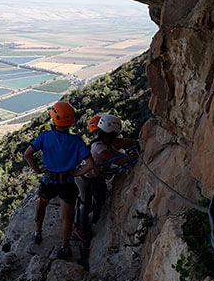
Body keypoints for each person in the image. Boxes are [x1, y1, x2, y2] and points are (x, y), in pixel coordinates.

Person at [24, 101, 96, 259]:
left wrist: (37, 169)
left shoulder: (45, 136)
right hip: (68, 183)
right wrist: (77, 173)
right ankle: (65, 247)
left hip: (49, 180)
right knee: (67, 217)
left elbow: (27, 154)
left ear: (53, 119)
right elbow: (91, 164)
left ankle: (37, 233)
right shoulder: (76, 141)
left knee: (41, 205)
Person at [73, 114, 138, 243]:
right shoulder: (99, 147)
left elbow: (122, 142)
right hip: (84, 177)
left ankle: (95, 219)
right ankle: (79, 228)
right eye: (114, 135)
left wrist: (138, 143)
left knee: (100, 196)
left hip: (93, 175)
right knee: (85, 203)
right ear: (110, 133)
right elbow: (119, 160)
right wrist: (133, 155)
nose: (116, 137)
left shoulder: (106, 140)